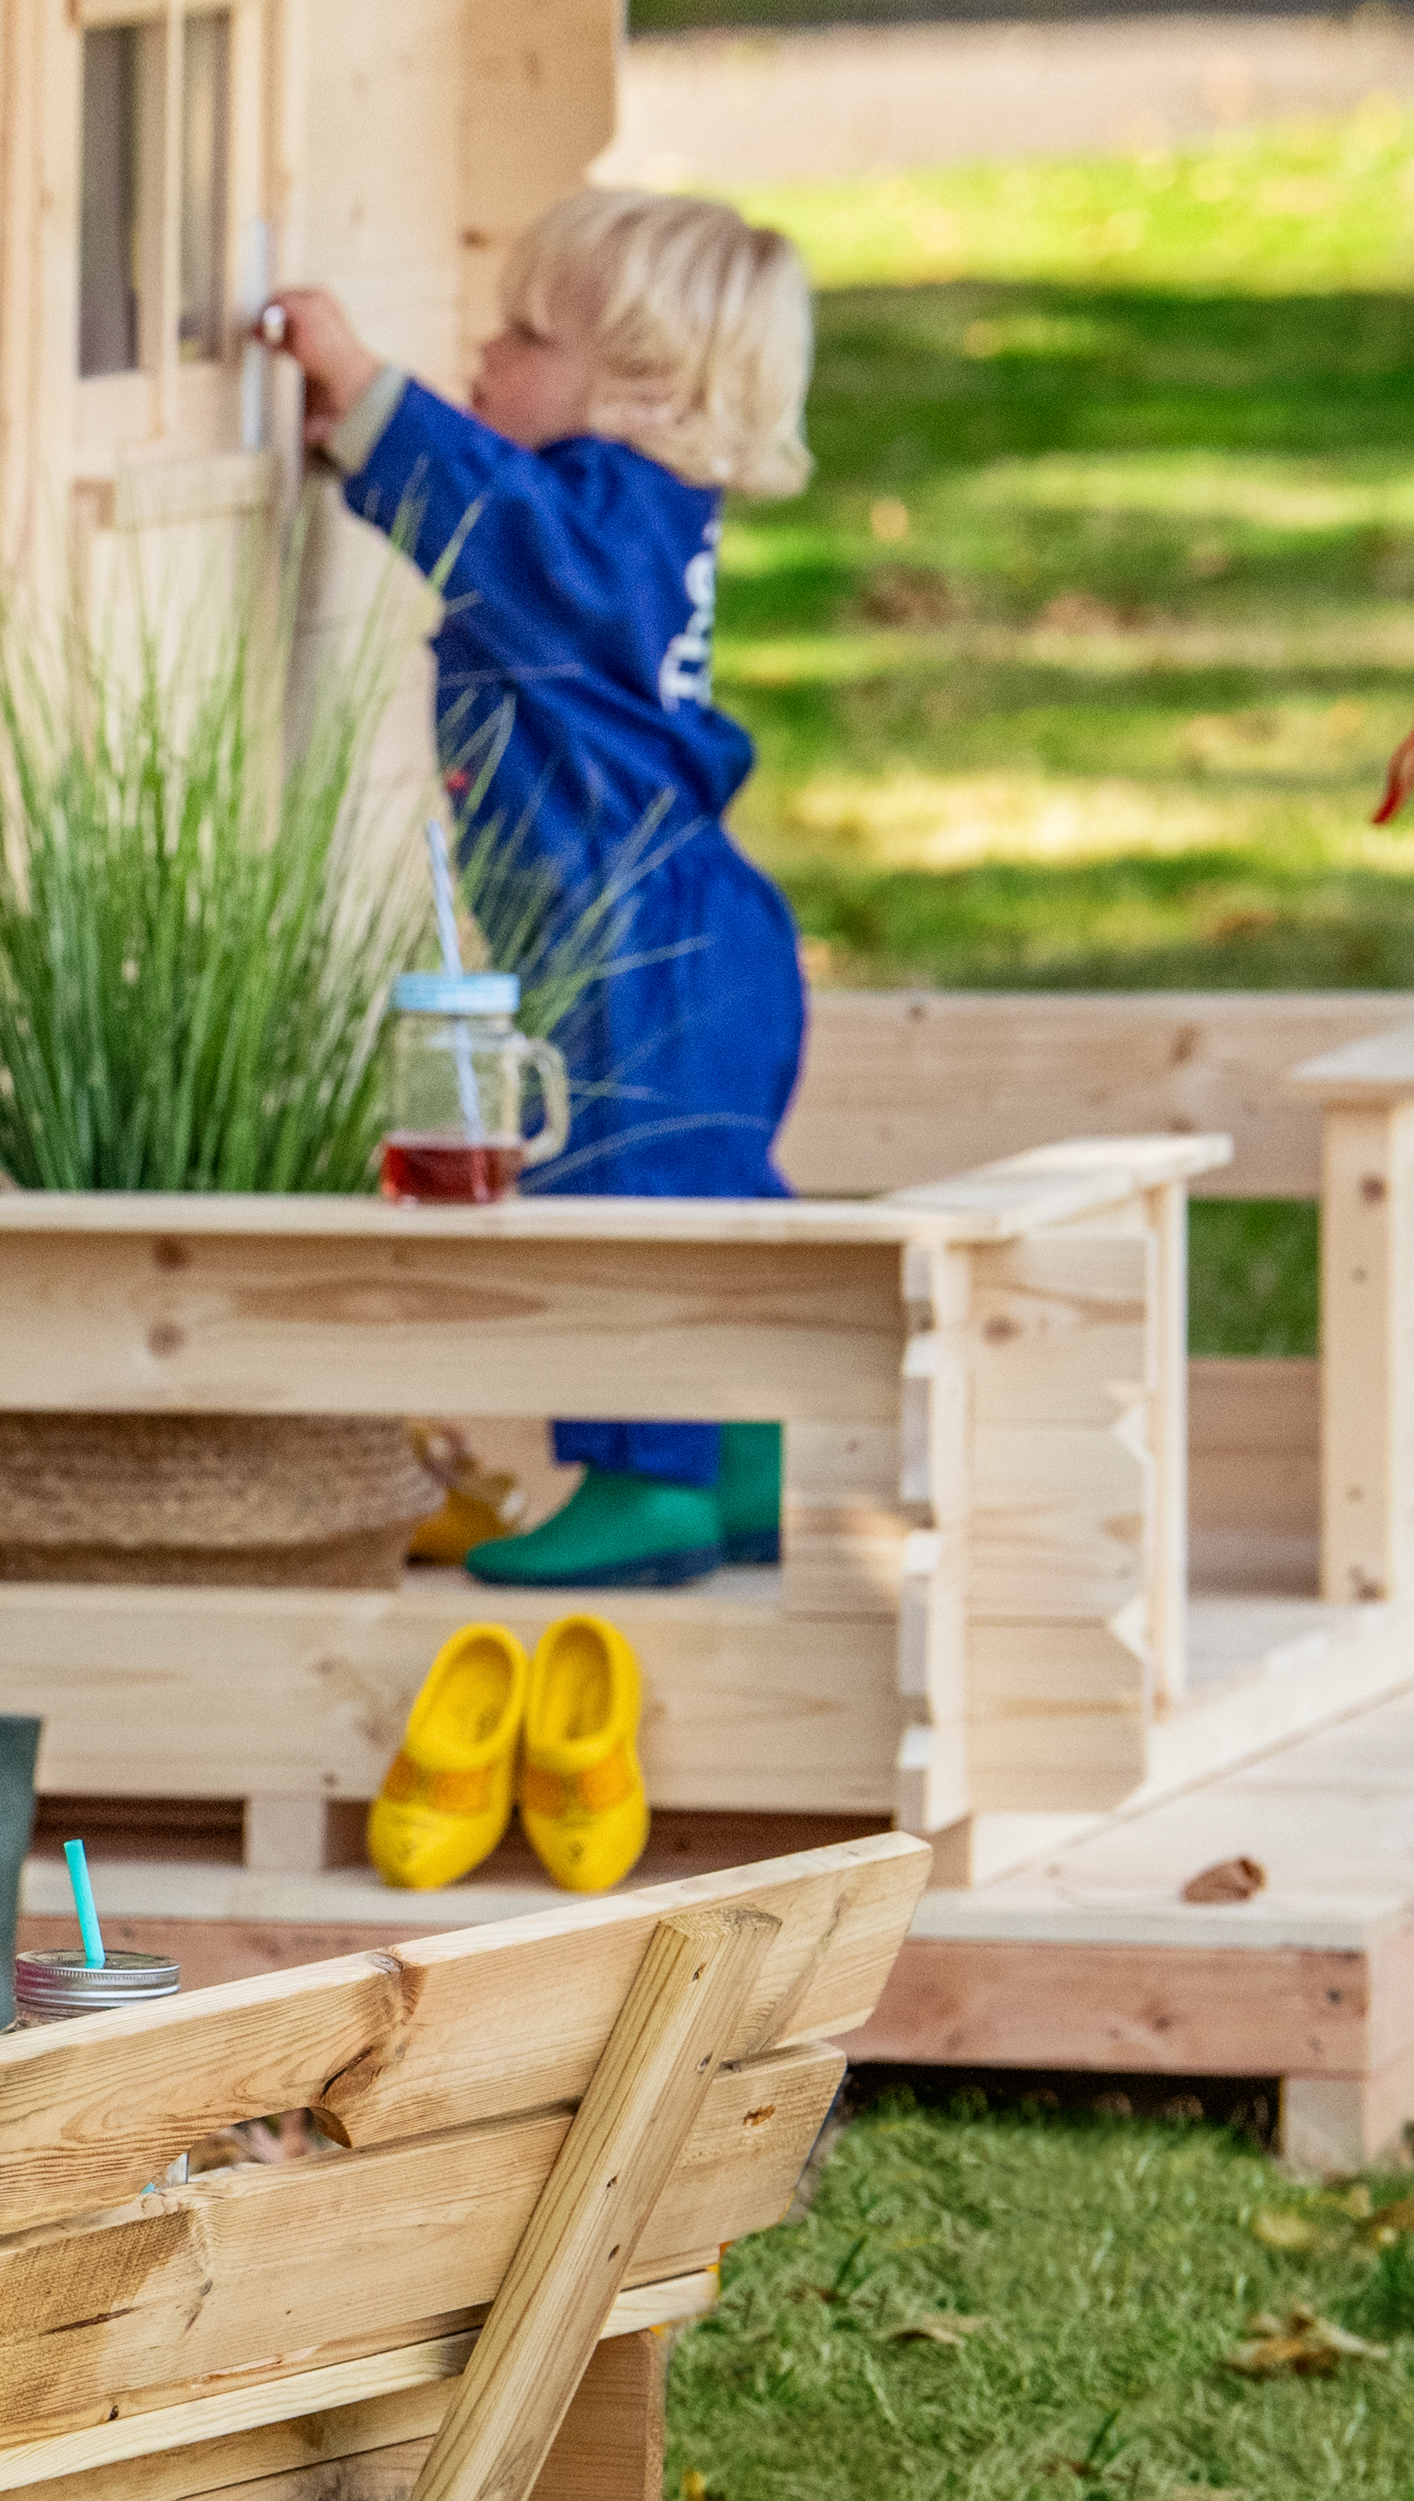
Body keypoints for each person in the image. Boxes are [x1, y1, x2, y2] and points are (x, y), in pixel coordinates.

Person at [266, 188, 818, 1590]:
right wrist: (361, 455)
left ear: (636, 391)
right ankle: (740, 1450)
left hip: (639, 945)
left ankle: (645, 1482)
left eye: (523, 334)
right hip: (687, 933)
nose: (485, 351)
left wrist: (362, 387)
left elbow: (495, 524)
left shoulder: (601, 524)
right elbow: (497, 535)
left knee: (623, 1196)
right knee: (704, 1194)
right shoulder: (631, 527)